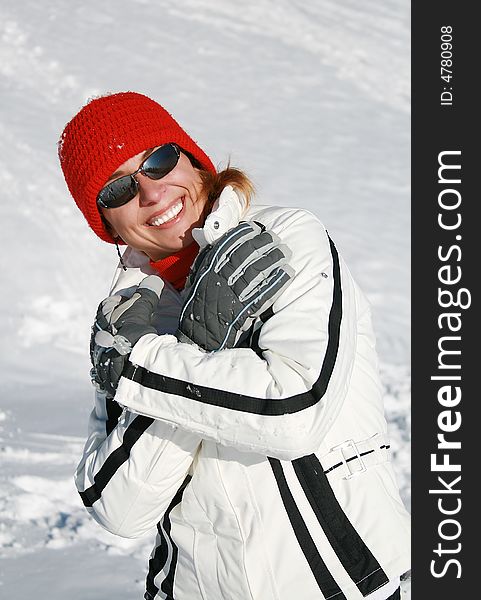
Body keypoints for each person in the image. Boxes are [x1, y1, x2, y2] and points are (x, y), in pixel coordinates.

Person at [58, 91, 410, 600]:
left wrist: (146, 370)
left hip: (341, 584)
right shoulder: (127, 321)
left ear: (193, 159)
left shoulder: (285, 241)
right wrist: (180, 349)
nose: (152, 193)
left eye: (158, 160)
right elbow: (119, 509)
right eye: (118, 190)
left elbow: (295, 411)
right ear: (105, 224)